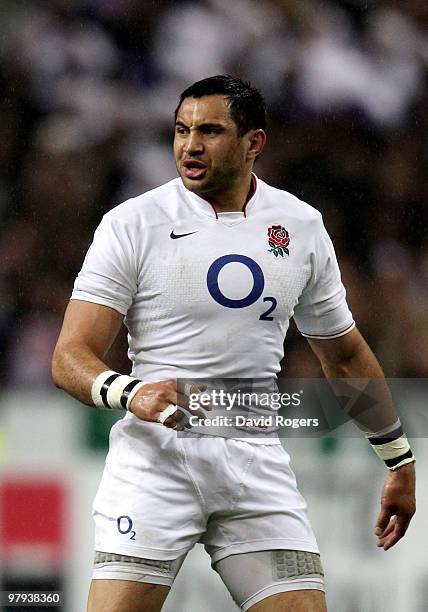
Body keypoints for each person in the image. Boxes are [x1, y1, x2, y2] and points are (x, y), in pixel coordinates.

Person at [52, 75, 416, 612]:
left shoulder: (300, 225)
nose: (190, 145)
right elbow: (69, 357)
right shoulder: (132, 224)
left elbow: (344, 355)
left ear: (254, 143)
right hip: (156, 466)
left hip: (253, 461)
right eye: (181, 130)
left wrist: (398, 460)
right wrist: (130, 393)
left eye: (210, 131)